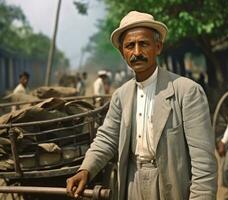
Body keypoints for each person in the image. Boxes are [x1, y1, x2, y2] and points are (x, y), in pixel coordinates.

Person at [66, 11, 217, 200]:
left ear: (158, 47)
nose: (137, 52)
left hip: (171, 184)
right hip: (132, 182)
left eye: (143, 44)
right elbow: (107, 138)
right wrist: (85, 169)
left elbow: (203, 163)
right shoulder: (121, 95)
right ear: (123, 53)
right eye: (130, 46)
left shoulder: (187, 92)